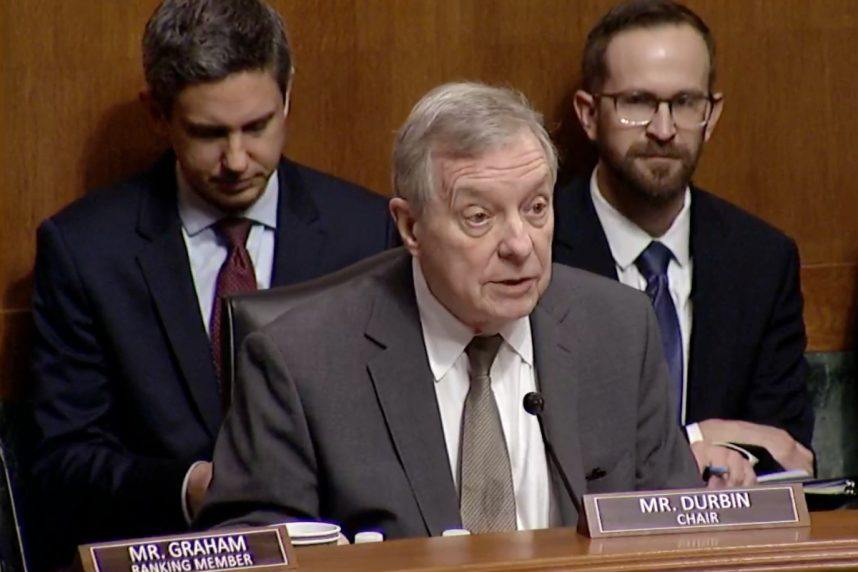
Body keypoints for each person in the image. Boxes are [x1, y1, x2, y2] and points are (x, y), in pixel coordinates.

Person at [196, 82, 700, 540]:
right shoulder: (300, 363)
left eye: (536, 208)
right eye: (479, 217)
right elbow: (251, 549)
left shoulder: (619, 330)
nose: (520, 245)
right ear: (411, 227)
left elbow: (679, 528)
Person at [29, 0, 393, 563]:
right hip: (165, 552)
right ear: (158, 115)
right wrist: (193, 488)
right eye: (208, 133)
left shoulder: (366, 232)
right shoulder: (86, 251)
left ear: (287, 95)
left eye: (258, 126)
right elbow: (65, 459)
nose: (237, 159)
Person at [553, 0, 814, 486]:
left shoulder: (761, 259)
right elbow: (542, 444)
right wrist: (694, 437)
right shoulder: (535, 250)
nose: (664, 129)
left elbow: (786, 447)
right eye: (636, 102)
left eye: (685, 103)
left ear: (711, 115)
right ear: (589, 115)